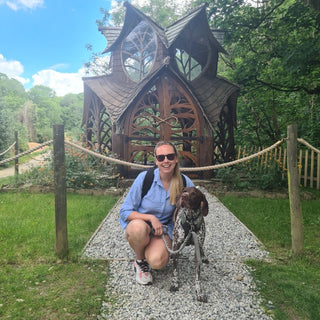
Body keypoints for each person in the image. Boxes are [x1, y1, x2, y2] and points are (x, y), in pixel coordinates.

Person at [119, 141, 194, 285]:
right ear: (156, 161)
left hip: (163, 230)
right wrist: (151, 218)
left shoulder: (184, 181)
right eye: (161, 157)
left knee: (157, 262)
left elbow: (196, 203)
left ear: (176, 158)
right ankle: (140, 261)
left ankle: (148, 247)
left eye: (170, 156)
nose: (166, 161)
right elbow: (124, 212)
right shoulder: (145, 178)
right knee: (137, 229)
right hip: (141, 225)